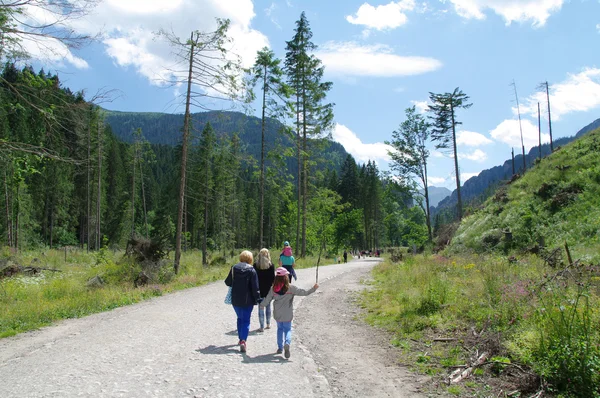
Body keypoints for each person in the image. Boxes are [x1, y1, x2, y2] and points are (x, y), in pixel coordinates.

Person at [261, 267, 318, 359]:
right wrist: (313, 289)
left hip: (277, 313)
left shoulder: (273, 288)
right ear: (286, 277)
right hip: (287, 313)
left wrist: (261, 305)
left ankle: (280, 348)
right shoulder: (291, 288)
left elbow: (267, 299)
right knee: (287, 330)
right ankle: (287, 343)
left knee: (279, 329)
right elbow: (304, 292)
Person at [224, 250, 260, 353]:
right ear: (250, 259)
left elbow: (227, 282)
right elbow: (255, 287)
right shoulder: (252, 270)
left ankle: (241, 339)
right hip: (248, 300)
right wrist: (258, 298)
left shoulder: (234, 268)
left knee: (240, 318)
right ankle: (243, 340)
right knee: (246, 320)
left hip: (235, 299)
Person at [253, 248, 275, 332]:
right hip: (268, 290)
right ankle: (268, 324)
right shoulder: (271, 265)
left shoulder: (255, 265)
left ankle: (261, 327)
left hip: (259, 290)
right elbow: (273, 278)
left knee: (261, 308)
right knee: (268, 307)